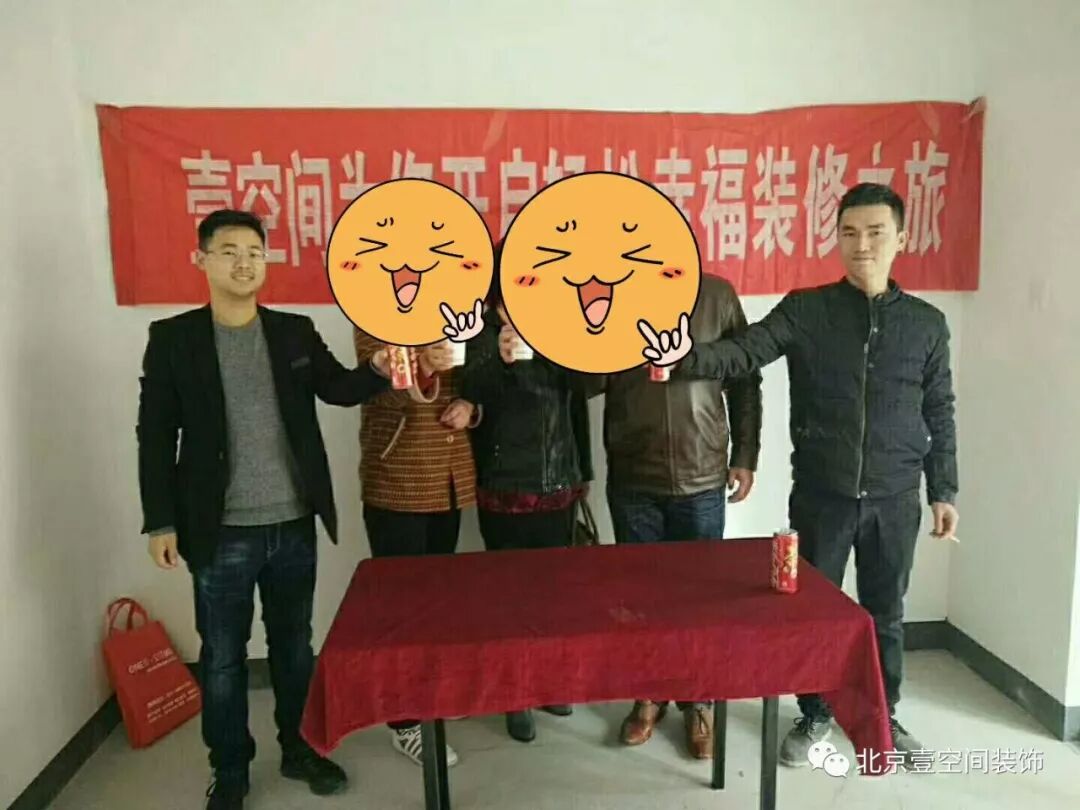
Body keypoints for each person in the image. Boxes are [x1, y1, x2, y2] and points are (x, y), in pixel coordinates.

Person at [670, 182, 959, 768]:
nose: (861, 245)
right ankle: (815, 713)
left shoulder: (926, 324)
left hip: (895, 498)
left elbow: (939, 410)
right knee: (814, 615)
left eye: (875, 233)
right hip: (822, 496)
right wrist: (684, 356)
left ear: (901, 239)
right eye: (849, 233)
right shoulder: (807, 310)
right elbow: (745, 352)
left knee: (885, 613)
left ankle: (882, 713)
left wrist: (944, 489)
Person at [136, 209, 392, 810]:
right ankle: (230, 769)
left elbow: (339, 389)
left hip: (293, 522)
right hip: (219, 528)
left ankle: (300, 749)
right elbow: (155, 435)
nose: (244, 262)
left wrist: (379, 370)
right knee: (223, 659)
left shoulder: (294, 332)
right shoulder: (174, 339)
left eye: (254, 251)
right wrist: (160, 520)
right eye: (229, 251)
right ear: (201, 260)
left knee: (294, 647)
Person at [590, 273, 763, 760]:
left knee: (699, 601)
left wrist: (745, 454)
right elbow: (585, 381)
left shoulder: (717, 295)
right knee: (640, 599)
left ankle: (698, 701)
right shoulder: (611, 289)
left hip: (701, 473)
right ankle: (648, 695)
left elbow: (744, 376)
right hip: (634, 474)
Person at [459, 243, 593, 743]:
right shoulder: (476, 328)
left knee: (554, 595)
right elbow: (470, 389)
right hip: (502, 485)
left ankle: (550, 682)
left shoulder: (557, 323)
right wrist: (501, 358)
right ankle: (515, 693)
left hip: (556, 481)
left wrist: (540, 350)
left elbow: (585, 385)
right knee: (508, 598)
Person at [353, 328, 477, 767]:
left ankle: (435, 694)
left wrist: (471, 408)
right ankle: (404, 721)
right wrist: (422, 364)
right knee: (399, 611)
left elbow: (473, 382)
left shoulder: (455, 315)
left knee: (439, 605)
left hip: (449, 478)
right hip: (397, 481)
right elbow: (376, 394)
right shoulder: (375, 317)